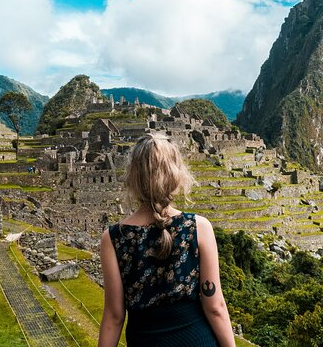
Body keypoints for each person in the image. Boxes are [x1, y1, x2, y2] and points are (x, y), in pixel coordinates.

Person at [98, 133, 236, 347]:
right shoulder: (198, 228)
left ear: (134, 177)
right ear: (175, 175)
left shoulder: (114, 238)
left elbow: (114, 317)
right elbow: (215, 306)